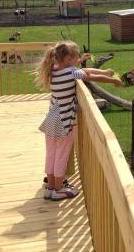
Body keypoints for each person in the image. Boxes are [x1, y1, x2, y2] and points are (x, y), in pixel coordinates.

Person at [35, 41, 122, 201]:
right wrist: (112, 80)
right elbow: (89, 75)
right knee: (61, 155)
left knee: (52, 154)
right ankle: (58, 189)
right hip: (64, 121)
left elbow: (82, 69)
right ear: (68, 58)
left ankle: (50, 188)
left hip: (51, 119)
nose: (77, 60)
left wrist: (102, 70)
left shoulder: (53, 69)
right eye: (75, 57)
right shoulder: (71, 73)